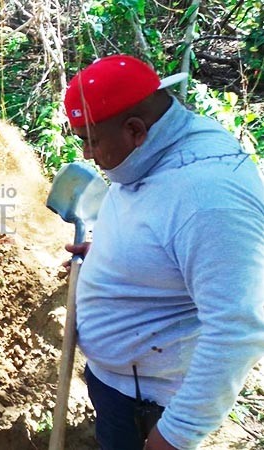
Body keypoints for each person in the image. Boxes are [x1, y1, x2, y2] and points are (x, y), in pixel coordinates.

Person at [62, 54, 264, 449]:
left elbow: (238, 328)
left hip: (150, 406)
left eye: (90, 140)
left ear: (136, 130)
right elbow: (162, 226)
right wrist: (113, 254)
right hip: (119, 385)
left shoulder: (208, 200)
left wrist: (175, 435)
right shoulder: (153, 150)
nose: (86, 153)